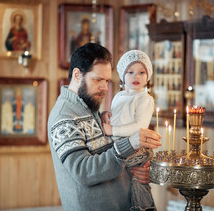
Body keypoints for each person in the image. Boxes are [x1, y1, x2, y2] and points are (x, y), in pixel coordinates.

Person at [47, 43, 161, 211]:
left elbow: (111, 156)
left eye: (107, 80)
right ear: (77, 75)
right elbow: (84, 171)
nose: (105, 87)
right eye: (97, 79)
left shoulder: (90, 107)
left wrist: (140, 169)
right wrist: (130, 144)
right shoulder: (64, 116)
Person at [101, 50, 156, 211]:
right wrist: (106, 114)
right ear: (122, 76)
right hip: (121, 144)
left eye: (141, 72)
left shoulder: (145, 99)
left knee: (137, 178)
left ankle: (143, 207)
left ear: (148, 76)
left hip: (137, 148)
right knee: (125, 178)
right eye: (130, 72)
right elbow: (116, 115)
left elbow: (140, 126)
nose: (136, 76)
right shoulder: (119, 96)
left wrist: (112, 130)